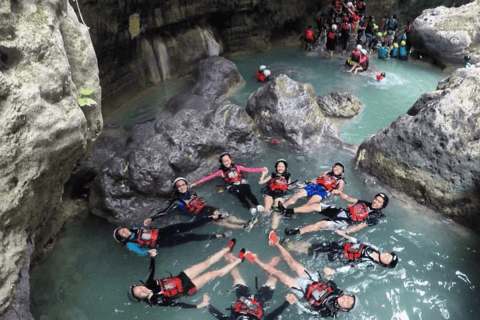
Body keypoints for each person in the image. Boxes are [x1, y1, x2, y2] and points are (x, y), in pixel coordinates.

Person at [239, 234, 356, 317]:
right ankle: (276, 243)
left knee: (280, 274)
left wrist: (296, 302)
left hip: (302, 290)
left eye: (347, 303)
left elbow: (309, 311)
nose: (345, 299)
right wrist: (327, 275)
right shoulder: (338, 291)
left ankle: (255, 259)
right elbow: (328, 281)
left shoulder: (328, 312)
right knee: (292, 262)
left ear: (344, 309)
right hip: (313, 279)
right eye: (348, 297)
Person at [128, 240, 242, 306]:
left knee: (206, 263)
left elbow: (151, 270)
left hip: (180, 278)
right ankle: (239, 261)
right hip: (187, 288)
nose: (143, 290)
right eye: (141, 293)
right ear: (141, 298)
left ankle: (227, 249)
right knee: (213, 273)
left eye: (140, 288)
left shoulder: (149, 284)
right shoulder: (157, 300)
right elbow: (177, 305)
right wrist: (198, 305)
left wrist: (152, 257)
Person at [196, 252, 298, 320]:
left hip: (243, 300)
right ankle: (271, 267)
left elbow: (220, 316)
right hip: (259, 301)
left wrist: (207, 305)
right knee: (272, 280)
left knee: (237, 279)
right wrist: (287, 303)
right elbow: (272, 316)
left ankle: (232, 262)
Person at [144, 177, 246, 229]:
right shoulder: (177, 202)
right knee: (222, 221)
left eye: (183, 185)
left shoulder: (192, 192)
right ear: (176, 188)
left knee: (226, 216)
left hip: (206, 208)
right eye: (179, 186)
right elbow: (165, 212)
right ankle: (242, 227)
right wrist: (152, 218)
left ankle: (245, 223)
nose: (182, 187)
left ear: (186, 185)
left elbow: (200, 202)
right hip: (199, 215)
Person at [283, 230, 399, 272]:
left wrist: (334, 271)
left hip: (339, 256)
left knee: (313, 252)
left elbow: (352, 267)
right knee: (314, 246)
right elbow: (358, 242)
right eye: (389, 254)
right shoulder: (375, 248)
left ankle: (286, 246)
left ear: (385, 264)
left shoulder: (370, 264)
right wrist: (345, 235)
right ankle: (289, 244)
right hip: (340, 245)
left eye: (388, 259)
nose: (386, 256)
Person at [191, 153, 266, 215]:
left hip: (241, 183)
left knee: (247, 191)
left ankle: (257, 205)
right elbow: (208, 177)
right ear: (222, 163)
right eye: (224, 161)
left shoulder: (237, 167)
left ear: (231, 160)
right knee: (240, 195)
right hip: (232, 186)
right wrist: (195, 183)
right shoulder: (221, 172)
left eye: (227, 160)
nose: (226, 163)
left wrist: (261, 169)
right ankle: (249, 208)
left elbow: (250, 170)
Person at [284, 192, 389, 236]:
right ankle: (288, 211)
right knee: (315, 206)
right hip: (342, 211)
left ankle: (296, 232)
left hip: (346, 222)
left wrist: (346, 233)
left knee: (322, 224)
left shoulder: (375, 216)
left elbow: (359, 227)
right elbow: (348, 199)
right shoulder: (366, 203)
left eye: (379, 202)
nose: (375, 202)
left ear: (382, 206)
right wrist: (340, 193)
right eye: (376, 199)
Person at [113, 220, 232, 256]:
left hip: (161, 232)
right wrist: (149, 251)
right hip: (162, 241)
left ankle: (209, 220)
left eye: (123, 229)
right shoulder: (130, 244)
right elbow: (140, 251)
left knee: (186, 225)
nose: (125, 231)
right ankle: (219, 236)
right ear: (122, 238)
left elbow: (145, 228)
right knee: (191, 237)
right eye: (122, 233)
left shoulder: (134, 228)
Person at [278, 163, 345, 216]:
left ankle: (293, 213)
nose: (337, 169)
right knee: (298, 195)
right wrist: (306, 184)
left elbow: (340, 191)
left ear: (341, 172)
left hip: (323, 191)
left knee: (309, 204)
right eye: (336, 167)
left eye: (339, 169)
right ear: (333, 168)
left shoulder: (340, 181)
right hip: (314, 186)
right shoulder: (326, 173)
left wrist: (335, 191)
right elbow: (316, 179)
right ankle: (283, 206)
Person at [258, 159, 293, 229]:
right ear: (276, 167)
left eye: (282, 167)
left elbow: (290, 187)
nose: (280, 168)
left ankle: (273, 229)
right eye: (279, 166)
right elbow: (260, 182)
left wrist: (285, 184)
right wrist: (263, 174)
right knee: (267, 209)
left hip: (280, 195)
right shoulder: (272, 175)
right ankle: (261, 220)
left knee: (276, 211)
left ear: (285, 168)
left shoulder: (287, 177)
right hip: (269, 192)